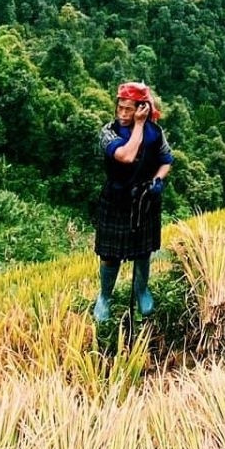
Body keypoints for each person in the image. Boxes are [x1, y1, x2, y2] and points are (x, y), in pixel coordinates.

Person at [93, 81, 173, 321]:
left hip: (145, 199)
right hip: (116, 199)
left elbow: (166, 160)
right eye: (120, 108)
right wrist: (138, 124)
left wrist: (158, 180)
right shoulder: (108, 132)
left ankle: (141, 290)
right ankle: (104, 296)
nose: (123, 114)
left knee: (143, 252)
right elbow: (126, 155)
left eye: (130, 109)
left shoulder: (155, 133)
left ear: (143, 108)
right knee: (109, 254)